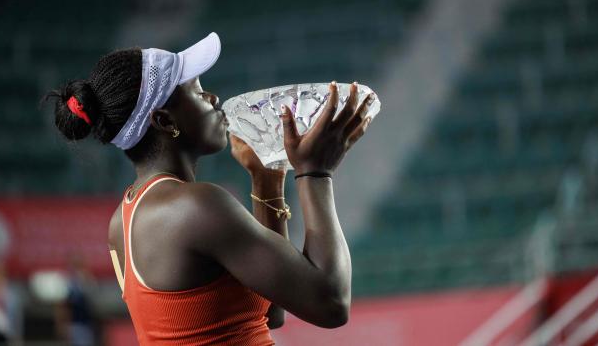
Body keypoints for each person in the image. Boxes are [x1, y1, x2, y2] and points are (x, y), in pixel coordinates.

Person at [43, 32, 374, 345]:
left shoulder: (123, 219)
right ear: (165, 122)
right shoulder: (196, 207)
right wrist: (315, 172)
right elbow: (330, 302)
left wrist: (268, 179)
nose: (213, 97)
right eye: (198, 92)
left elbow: (270, 311)